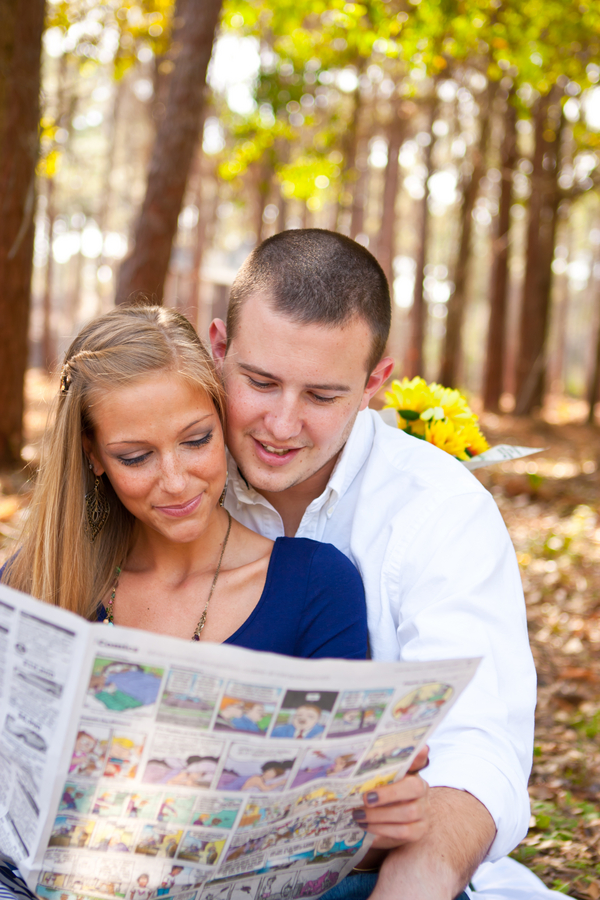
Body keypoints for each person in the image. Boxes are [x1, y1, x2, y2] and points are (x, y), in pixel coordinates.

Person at [0, 304, 427, 897]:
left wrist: (378, 824)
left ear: (222, 422)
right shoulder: (37, 582)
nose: (175, 481)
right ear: (93, 457)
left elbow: (331, 832)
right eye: (135, 456)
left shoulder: (314, 584)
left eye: (196, 441)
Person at [209, 228, 537, 900]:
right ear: (218, 348)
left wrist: (416, 876)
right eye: (260, 381)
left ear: (375, 384)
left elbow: (477, 749)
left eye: (322, 396)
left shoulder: (440, 510)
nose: (280, 423)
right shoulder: (169, 474)